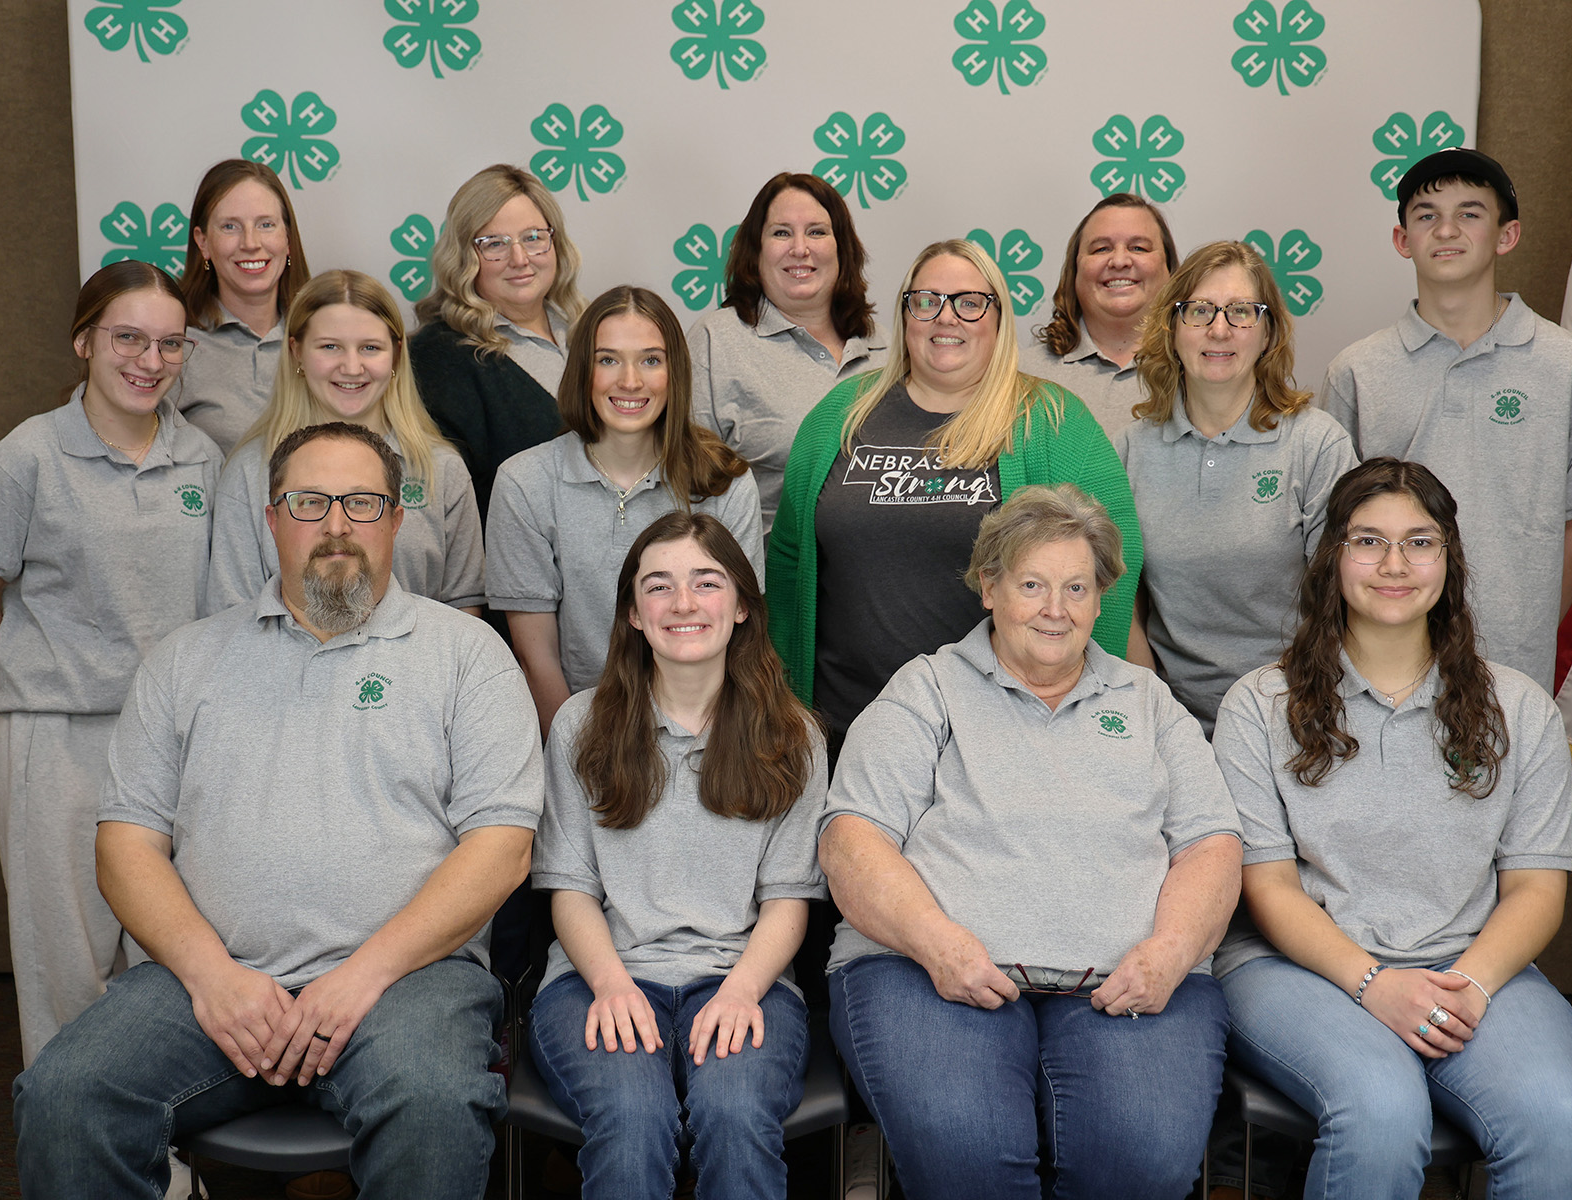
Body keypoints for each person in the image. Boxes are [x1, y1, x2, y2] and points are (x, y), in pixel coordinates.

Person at [13, 422, 543, 1199]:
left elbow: (502, 847)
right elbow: (125, 846)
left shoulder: (467, 655)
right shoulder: (184, 660)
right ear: (269, 519)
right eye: (308, 501)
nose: (336, 524)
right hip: (210, 982)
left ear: (397, 518)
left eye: (362, 502)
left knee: (431, 1105)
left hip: (407, 982)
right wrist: (214, 978)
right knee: (65, 1095)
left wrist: (362, 976)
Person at [819, 484, 1241, 1200]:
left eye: (1077, 587)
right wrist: (938, 944)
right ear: (989, 587)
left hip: (1125, 982)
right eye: (1033, 585)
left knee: (1139, 1162)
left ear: (1102, 596)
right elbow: (851, 839)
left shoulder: (1147, 702)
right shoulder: (926, 691)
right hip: (929, 974)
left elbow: (1211, 845)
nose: (1056, 609)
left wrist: (1169, 954)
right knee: (970, 1161)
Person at [1213, 457, 1572, 1198]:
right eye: (1368, 541)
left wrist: (1473, 985)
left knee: (1562, 1115)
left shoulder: (1519, 708)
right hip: (1298, 969)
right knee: (1381, 1111)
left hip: (1472, 965)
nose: (1394, 564)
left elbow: (1537, 888)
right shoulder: (1259, 705)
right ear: (1332, 559)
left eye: (1420, 542)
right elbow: (1269, 888)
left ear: (1449, 560)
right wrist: (1375, 984)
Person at [528, 511, 826, 1199]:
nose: (684, 604)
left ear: (743, 605)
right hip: (595, 976)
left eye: (707, 582)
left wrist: (742, 990)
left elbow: (788, 899)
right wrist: (609, 984)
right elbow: (569, 889)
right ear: (633, 613)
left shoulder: (794, 736)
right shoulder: (581, 724)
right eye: (658, 587)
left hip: (740, 975)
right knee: (633, 1118)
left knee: (734, 1112)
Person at [768, 238, 1143, 750]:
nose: (947, 318)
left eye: (970, 302)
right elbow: (789, 562)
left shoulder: (1053, 420)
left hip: (995, 741)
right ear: (905, 314)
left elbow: (1109, 569)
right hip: (842, 732)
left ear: (998, 317)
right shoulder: (839, 414)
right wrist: (783, 706)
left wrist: (1072, 709)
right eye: (927, 301)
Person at [0, 261, 221, 1067]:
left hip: (172, 747)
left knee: (171, 966)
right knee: (67, 968)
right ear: (85, 341)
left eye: (169, 344)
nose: (149, 361)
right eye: (128, 338)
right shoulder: (27, 458)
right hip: (56, 739)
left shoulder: (202, 460)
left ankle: (166, 1174)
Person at [1321, 147, 1572, 694]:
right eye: (1426, 216)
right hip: (1384, 665)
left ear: (1506, 235)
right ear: (1402, 240)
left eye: (1469, 213)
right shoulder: (1356, 370)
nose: (1447, 230)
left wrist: (1521, 630)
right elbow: (1335, 535)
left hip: (1513, 668)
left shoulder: (1570, 365)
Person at [486, 285, 763, 738]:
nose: (630, 381)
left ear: (675, 372)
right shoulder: (525, 482)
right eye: (608, 359)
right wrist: (580, 755)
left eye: (651, 360)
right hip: (583, 733)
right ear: (582, 371)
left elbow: (739, 638)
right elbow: (537, 659)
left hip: (709, 733)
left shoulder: (726, 481)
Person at [1118, 241, 1357, 735]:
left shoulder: (1315, 444)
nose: (1219, 328)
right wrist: (1156, 718)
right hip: (1167, 720)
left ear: (1268, 332)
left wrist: (1280, 713)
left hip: (1294, 714)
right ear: (1172, 327)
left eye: (1242, 312)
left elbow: (1345, 600)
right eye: (1200, 311)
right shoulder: (1130, 450)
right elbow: (1122, 602)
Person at [208, 269, 484, 616]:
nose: (352, 367)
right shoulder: (251, 471)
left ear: (397, 354)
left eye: (370, 347)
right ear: (296, 352)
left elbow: (463, 612)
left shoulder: (441, 468)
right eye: (330, 347)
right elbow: (233, 613)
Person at [687, 171, 887, 533]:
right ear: (755, 250)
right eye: (781, 232)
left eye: (817, 231)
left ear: (843, 247)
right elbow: (689, 491)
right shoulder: (716, 341)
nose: (799, 248)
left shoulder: (891, 350)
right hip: (763, 581)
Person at [411, 164, 587, 519]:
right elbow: (457, 501)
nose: (520, 259)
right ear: (464, 257)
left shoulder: (587, 330)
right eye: (495, 244)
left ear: (555, 243)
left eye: (534, 237)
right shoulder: (439, 354)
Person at [175, 158, 312, 455]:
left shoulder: (324, 336)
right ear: (203, 242)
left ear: (287, 237)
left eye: (266, 224)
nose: (250, 243)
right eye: (230, 226)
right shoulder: (173, 344)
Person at [1024, 193, 1178, 441]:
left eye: (1139, 247)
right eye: (1101, 249)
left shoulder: (1200, 369)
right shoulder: (1021, 375)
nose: (1119, 261)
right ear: (1074, 271)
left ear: (1169, 268)